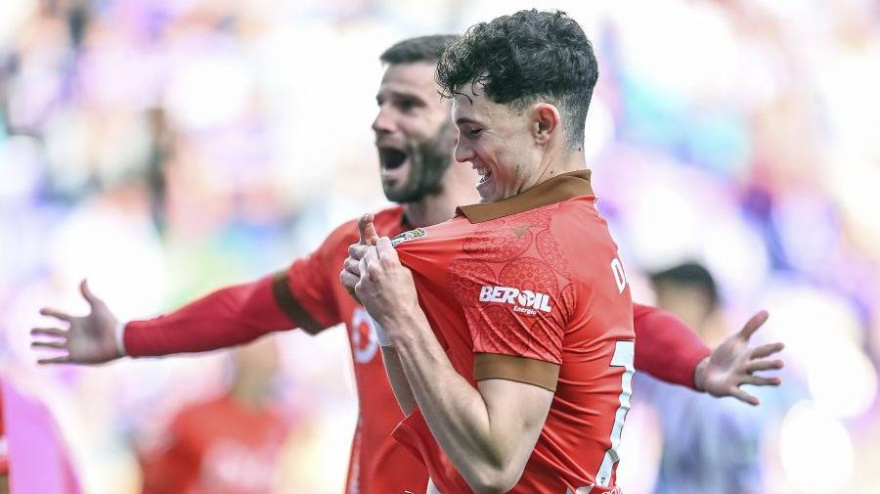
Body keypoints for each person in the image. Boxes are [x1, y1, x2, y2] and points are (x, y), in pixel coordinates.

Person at [32, 35, 783, 494]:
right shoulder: (357, 250)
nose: (381, 121)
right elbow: (249, 309)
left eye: (408, 106)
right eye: (379, 104)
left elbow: (623, 320)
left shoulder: (523, 249)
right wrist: (129, 337)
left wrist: (694, 365)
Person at [342, 11, 781, 493]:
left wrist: (401, 317)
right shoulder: (581, 229)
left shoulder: (525, 253)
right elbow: (443, 434)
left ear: (542, 126)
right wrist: (390, 315)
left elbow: (492, 468)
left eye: (473, 131)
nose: (461, 153)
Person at [640, 262, 768, 494]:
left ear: (697, 301)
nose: (658, 311)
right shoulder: (668, 379)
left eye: (665, 298)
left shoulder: (726, 397)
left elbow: (745, 483)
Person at [139, 338, 291, 494]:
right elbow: (157, 479)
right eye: (259, 346)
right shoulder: (193, 418)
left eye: (272, 348)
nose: (268, 355)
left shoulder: (284, 428)